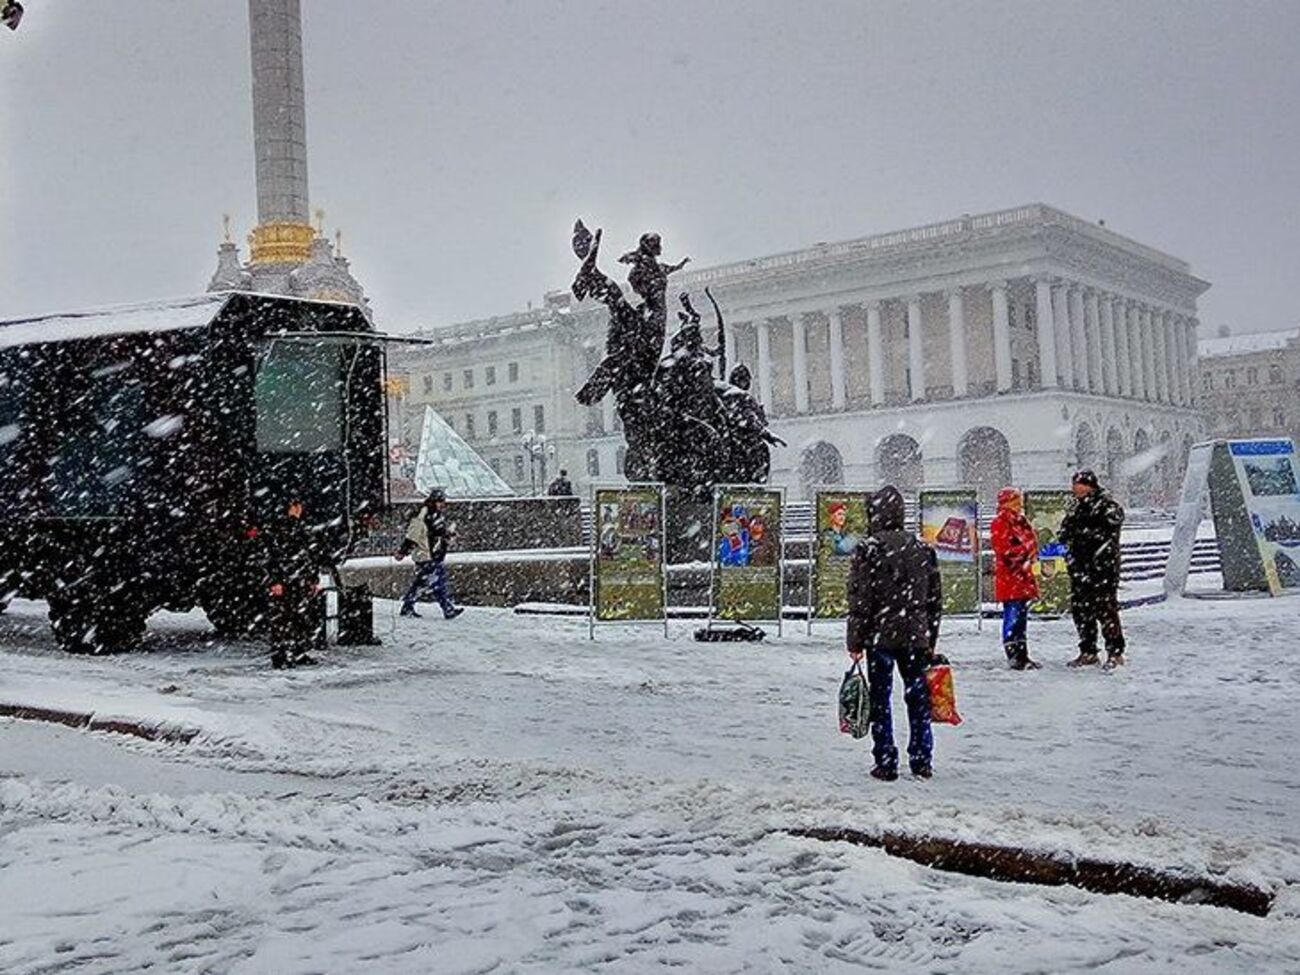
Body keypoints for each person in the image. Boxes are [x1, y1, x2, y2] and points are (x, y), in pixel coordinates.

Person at [846, 486, 943, 781]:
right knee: (917, 698)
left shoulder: (869, 549)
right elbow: (934, 600)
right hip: (914, 635)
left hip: (880, 635)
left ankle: (886, 759)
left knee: (880, 698)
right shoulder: (923, 549)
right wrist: (930, 637)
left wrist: (855, 639)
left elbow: (860, 597)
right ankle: (922, 758)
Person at [1059, 469, 1126, 669]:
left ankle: (1115, 652)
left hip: (1102, 568)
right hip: (1080, 568)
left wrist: (1082, 536)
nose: (1075, 489)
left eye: (1079, 485)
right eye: (1074, 485)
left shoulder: (1107, 506)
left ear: (1089, 485)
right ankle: (1088, 651)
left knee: (1106, 610)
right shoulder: (1075, 508)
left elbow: (1106, 533)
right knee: (1082, 611)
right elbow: (1064, 532)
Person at [264, 497, 328, 669]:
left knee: (298, 618)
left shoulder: (298, 528)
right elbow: (274, 556)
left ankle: (297, 652)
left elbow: (307, 555)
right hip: (287, 580)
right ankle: (281, 655)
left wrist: (312, 579)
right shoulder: (280, 529)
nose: (299, 509)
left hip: (297, 579)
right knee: (283, 619)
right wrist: (275, 580)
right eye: (295, 506)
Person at [989, 487, 1041, 670]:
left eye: (1018, 501)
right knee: (1013, 616)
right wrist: (1025, 553)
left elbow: (1031, 542)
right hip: (1011, 576)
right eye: (1014, 501)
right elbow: (1003, 550)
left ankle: (1022, 655)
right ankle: (1015, 655)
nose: (1018, 505)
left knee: (1021, 617)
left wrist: (1028, 554)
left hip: (1022, 576)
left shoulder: (1020, 521)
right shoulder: (1001, 522)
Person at [396, 489, 464, 620]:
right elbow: (413, 535)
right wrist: (403, 551)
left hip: (433, 555)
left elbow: (435, 532)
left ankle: (409, 607)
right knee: (435, 583)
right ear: (434, 502)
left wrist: (448, 534)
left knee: (427, 583)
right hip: (427, 555)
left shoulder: (434, 515)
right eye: (440, 502)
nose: (442, 504)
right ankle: (447, 609)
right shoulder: (424, 515)